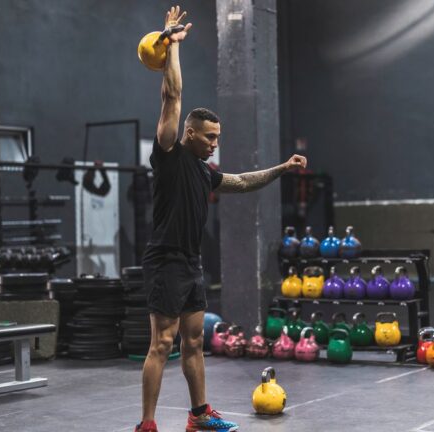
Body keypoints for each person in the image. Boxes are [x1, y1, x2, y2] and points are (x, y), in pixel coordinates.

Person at [134, 6, 308, 432]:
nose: (215, 143)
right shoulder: (171, 155)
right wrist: (172, 44)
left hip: (191, 263)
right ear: (190, 133)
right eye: (210, 137)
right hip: (166, 261)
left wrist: (282, 168)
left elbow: (244, 182)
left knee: (194, 342)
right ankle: (148, 424)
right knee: (162, 344)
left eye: (218, 137)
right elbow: (172, 96)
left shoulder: (205, 171)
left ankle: (198, 416)